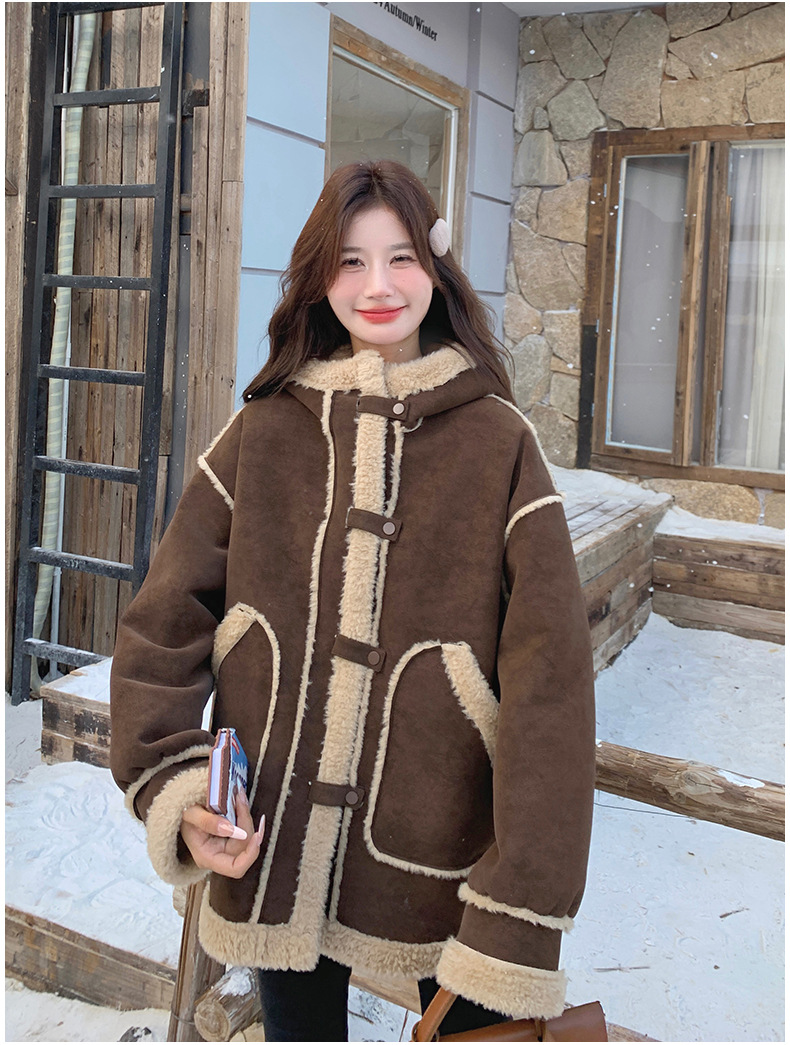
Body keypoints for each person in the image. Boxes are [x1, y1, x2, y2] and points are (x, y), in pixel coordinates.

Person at [110, 159, 596, 1042]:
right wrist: (179, 785)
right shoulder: (262, 431)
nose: (378, 286)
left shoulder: (500, 444)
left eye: (402, 257)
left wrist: (521, 898)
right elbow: (162, 623)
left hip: (444, 855)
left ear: (435, 270)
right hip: (274, 841)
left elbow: (551, 688)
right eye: (351, 260)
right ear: (318, 277)